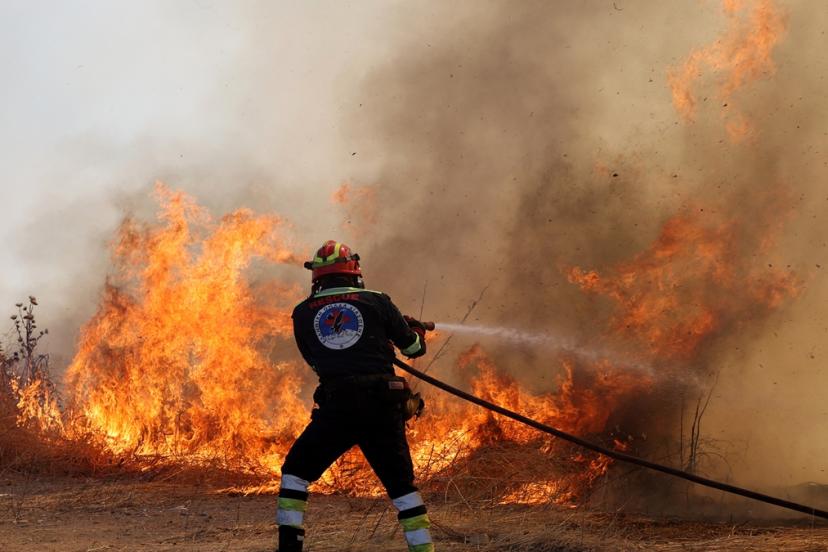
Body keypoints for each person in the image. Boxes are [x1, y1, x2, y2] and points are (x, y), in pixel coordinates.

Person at [276, 240, 435, 552]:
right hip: (382, 407)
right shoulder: (376, 300)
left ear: (316, 276)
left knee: (295, 474)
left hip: (337, 409)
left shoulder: (302, 312)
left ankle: (289, 547)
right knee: (402, 488)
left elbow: (314, 361)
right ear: (354, 271)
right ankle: (423, 549)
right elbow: (414, 349)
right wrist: (415, 330)